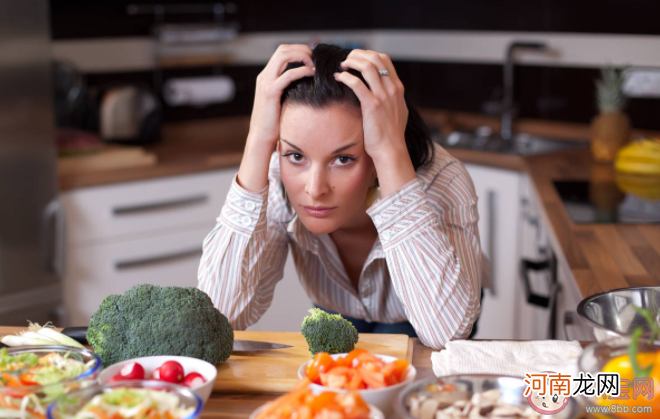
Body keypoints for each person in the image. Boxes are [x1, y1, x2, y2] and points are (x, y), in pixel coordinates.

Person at [198, 43, 482, 349]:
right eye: (296, 155)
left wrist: (389, 151)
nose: (314, 188)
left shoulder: (442, 182)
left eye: (343, 159)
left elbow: (446, 334)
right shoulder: (276, 175)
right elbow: (219, 316)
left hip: (428, 315)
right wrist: (257, 139)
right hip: (336, 310)